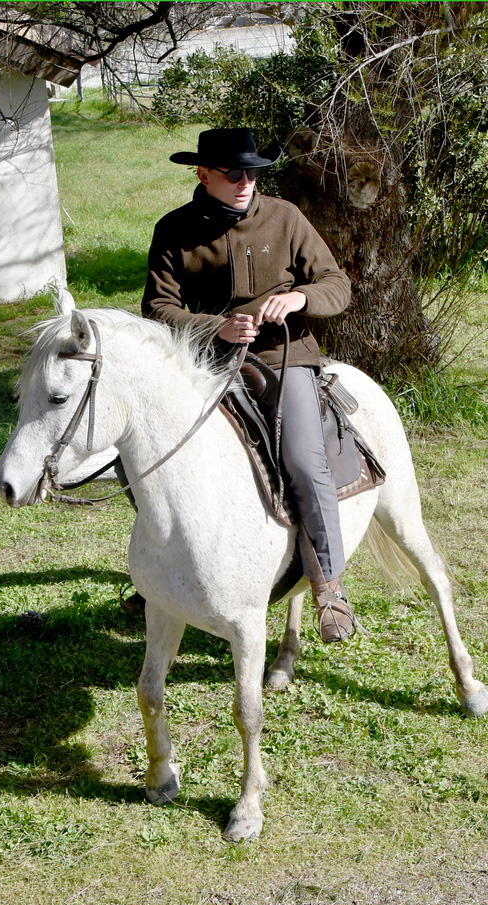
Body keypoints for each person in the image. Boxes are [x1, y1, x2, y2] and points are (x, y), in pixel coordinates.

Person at [141, 128, 355, 642]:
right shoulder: (173, 229)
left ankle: (329, 586)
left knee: (303, 458)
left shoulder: (286, 217)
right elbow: (157, 307)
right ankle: (162, 572)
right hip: (206, 363)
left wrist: (300, 299)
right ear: (203, 174)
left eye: (253, 173)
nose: (245, 183)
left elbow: (337, 285)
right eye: (234, 173)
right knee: (152, 454)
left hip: (284, 358)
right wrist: (214, 327)